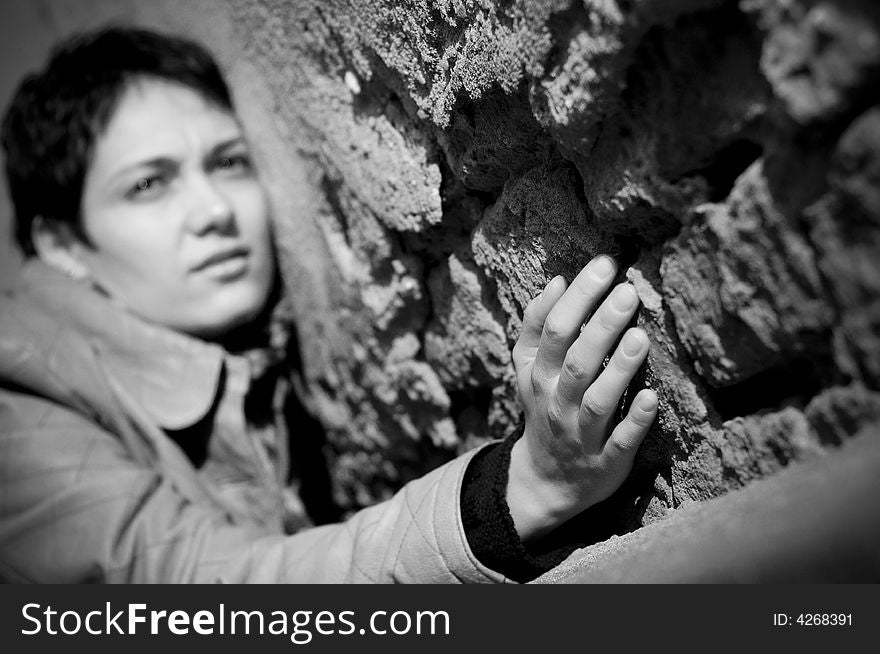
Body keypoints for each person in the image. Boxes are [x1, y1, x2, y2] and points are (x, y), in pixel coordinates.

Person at [0, 27, 658, 583]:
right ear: (60, 243)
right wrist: (518, 490)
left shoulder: (245, 352)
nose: (213, 212)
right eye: (148, 184)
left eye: (229, 162)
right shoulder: (15, 409)